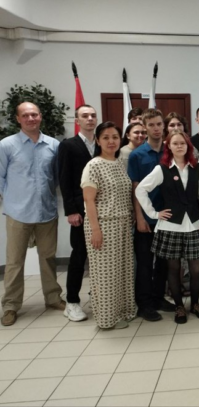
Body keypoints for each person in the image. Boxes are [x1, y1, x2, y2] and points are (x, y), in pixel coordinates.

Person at [136, 130, 199, 323]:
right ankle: (179, 306)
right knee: (173, 269)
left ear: (188, 146)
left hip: (193, 224)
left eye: (183, 143)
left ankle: (195, 303)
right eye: (175, 143)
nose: (179, 146)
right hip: (170, 226)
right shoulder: (162, 169)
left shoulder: (196, 168)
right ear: (168, 146)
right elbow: (140, 189)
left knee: (196, 269)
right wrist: (154, 214)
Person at [0, 102, 64, 327]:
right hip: (18, 213)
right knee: (15, 262)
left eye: (34, 114)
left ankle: (53, 298)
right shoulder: (6, 145)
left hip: (46, 211)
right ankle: (10, 306)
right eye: (25, 115)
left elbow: (56, 177)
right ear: (18, 119)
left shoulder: (53, 145)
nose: (30, 118)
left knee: (48, 258)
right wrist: (11, 199)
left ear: (40, 116)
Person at [82, 122, 136, 329]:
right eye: (105, 137)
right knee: (105, 275)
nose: (111, 141)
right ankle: (106, 319)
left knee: (123, 272)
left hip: (122, 224)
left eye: (114, 137)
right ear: (97, 140)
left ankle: (122, 312)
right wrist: (96, 230)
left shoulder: (119, 163)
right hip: (103, 225)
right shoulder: (93, 165)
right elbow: (89, 201)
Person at [128, 108, 175, 322]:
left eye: (159, 124)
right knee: (146, 262)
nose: (156, 128)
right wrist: (139, 217)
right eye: (151, 125)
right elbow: (135, 187)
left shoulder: (170, 151)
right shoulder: (137, 155)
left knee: (163, 261)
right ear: (145, 127)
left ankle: (158, 298)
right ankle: (144, 304)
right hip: (147, 217)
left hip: (167, 216)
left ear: (163, 126)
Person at [59, 104, 97, 322]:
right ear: (77, 121)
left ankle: (98, 295)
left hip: (102, 210)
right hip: (80, 211)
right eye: (85, 116)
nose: (90, 119)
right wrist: (71, 211)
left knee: (99, 255)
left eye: (93, 115)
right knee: (79, 255)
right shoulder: (69, 145)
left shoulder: (101, 144)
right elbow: (64, 179)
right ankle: (72, 301)